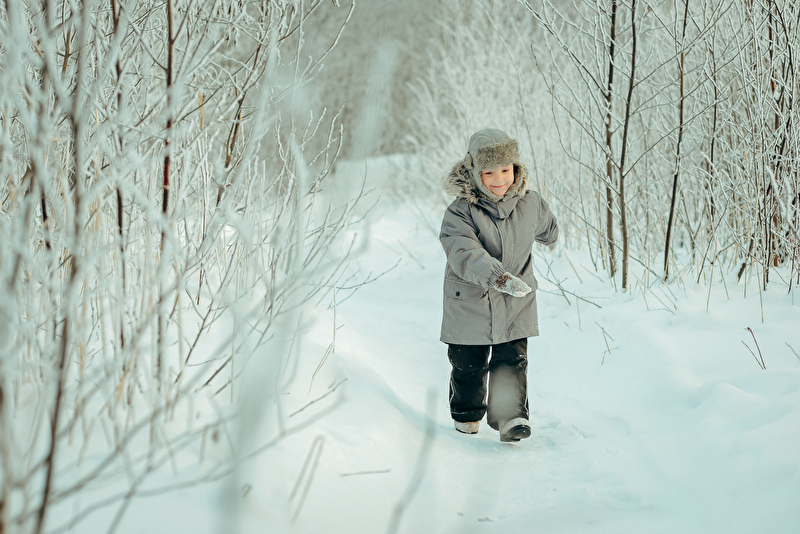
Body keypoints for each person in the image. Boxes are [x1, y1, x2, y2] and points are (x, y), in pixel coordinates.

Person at [439, 128, 558, 442]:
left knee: (512, 361)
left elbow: (546, 226)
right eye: (489, 172)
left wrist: (551, 236)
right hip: (471, 299)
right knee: (468, 364)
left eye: (505, 170)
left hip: (516, 300)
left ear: (515, 169)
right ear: (474, 172)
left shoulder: (530, 202)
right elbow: (464, 252)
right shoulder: (460, 211)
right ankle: (466, 415)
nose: (499, 179)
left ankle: (511, 417)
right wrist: (497, 277)